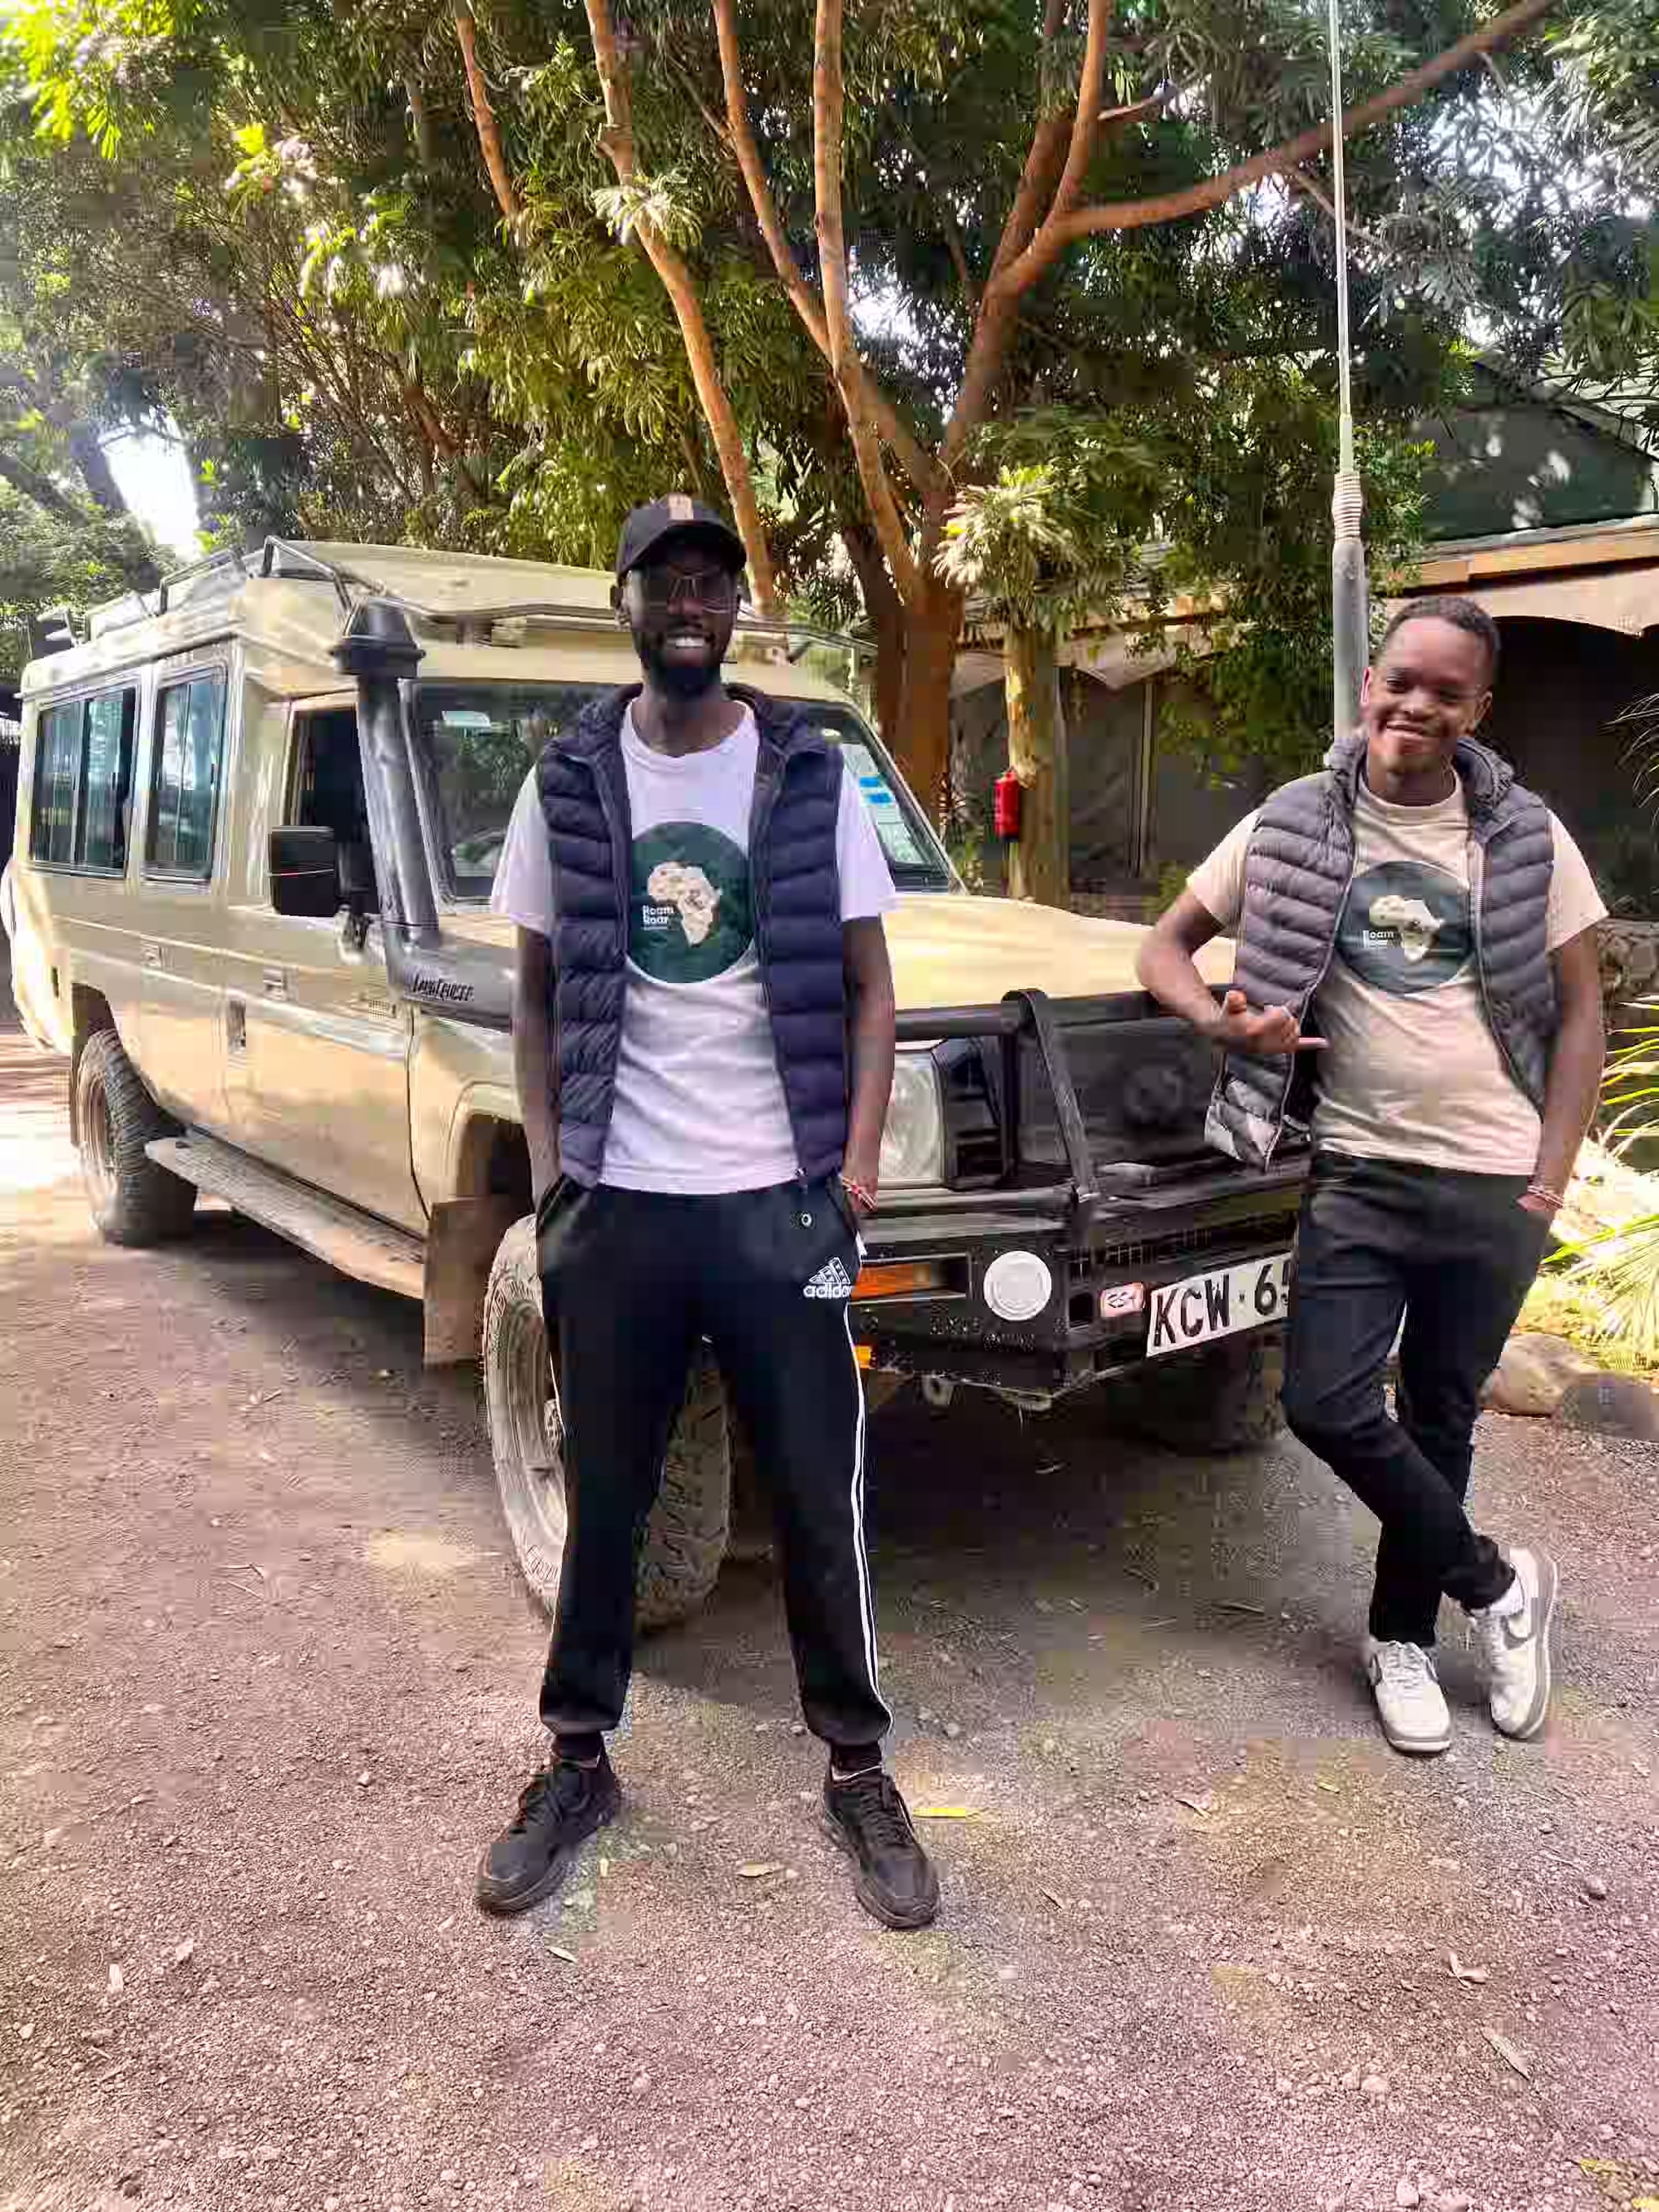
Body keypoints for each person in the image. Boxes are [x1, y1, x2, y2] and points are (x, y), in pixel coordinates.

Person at [476, 494, 939, 1928]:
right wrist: (555, 1179)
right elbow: (540, 996)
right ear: (625, 601)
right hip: (620, 1207)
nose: (693, 600)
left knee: (817, 1497)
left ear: (737, 609)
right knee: (604, 1495)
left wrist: (852, 1179)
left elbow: (872, 991)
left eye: (715, 580)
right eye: (667, 578)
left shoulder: (806, 777)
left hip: (777, 1205)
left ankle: (857, 1772)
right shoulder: (566, 779)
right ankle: (576, 1760)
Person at [1136, 597, 1606, 1757]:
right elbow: (1162, 947)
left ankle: (1402, 1639)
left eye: (1448, 693)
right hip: (1360, 1167)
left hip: (1496, 1179)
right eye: (1403, 680)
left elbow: (1587, 1007)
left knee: (1442, 1416)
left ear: (1477, 710)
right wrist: (1218, 1022)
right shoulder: (1292, 825)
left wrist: (1549, 1180)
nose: (1417, 706)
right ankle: (1499, 1585)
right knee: (1325, 1403)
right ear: (1371, 685)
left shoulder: (1527, 837)